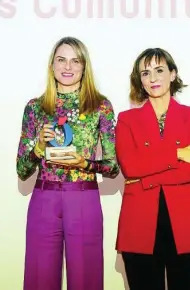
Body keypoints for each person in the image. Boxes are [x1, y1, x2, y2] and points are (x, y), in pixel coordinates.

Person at [16, 36, 120, 290]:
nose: (68, 67)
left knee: (86, 278)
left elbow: (112, 167)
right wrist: (39, 146)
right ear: (52, 65)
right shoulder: (35, 108)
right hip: (44, 197)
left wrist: (85, 163)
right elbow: (22, 169)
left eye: (76, 61)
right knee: (40, 278)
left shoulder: (100, 106)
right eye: (61, 59)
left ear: (84, 67)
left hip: (83, 198)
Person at [115, 48, 190, 290]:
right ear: (139, 80)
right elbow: (130, 167)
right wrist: (177, 153)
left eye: (160, 70)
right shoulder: (126, 120)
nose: (153, 78)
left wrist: (145, 179)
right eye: (145, 73)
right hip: (139, 224)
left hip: (187, 224)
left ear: (172, 74)